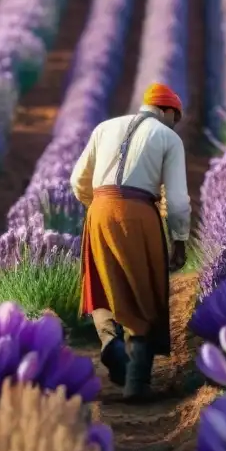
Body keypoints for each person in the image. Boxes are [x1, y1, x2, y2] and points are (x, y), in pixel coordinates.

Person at [70, 82, 191, 402]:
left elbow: (77, 180)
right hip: (140, 215)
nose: (174, 123)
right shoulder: (169, 138)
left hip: (99, 209)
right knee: (143, 291)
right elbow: (177, 200)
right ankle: (136, 383)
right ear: (166, 111)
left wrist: (97, 207)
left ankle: (111, 346)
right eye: (174, 117)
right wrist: (179, 239)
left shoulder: (104, 128)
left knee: (102, 284)